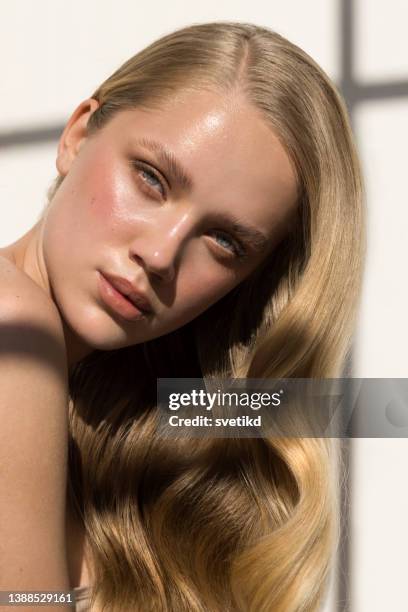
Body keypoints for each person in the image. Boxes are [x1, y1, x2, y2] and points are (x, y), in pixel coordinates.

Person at [0, 20, 365, 612]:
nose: (162, 253)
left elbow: (350, 406)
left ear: (249, 282)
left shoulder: (121, 406)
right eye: (150, 178)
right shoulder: (12, 322)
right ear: (77, 134)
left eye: (224, 241)